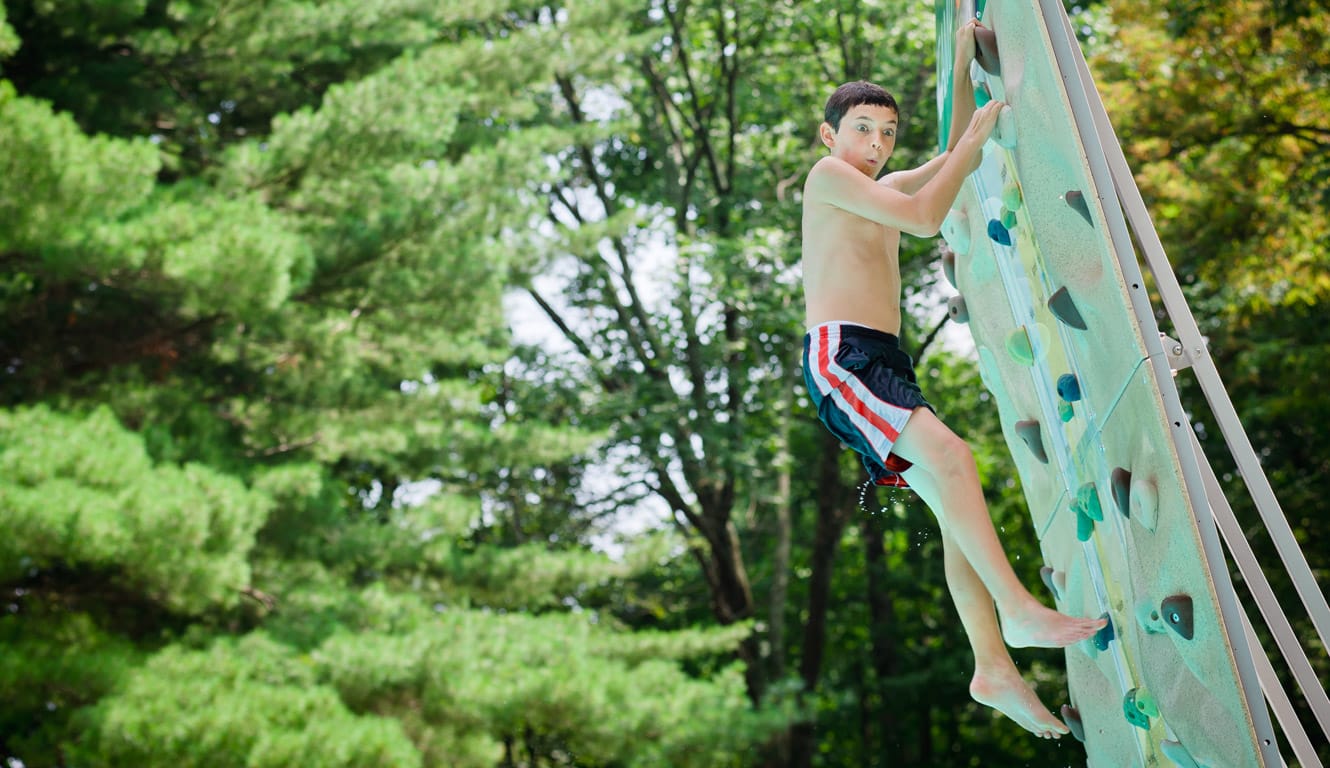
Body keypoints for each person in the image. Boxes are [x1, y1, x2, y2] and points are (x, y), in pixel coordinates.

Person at [799, 19, 1106, 740]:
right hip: (842, 359)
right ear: (829, 137)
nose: (876, 145)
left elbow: (945, 159)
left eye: (885, 132)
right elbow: (926, 215)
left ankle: (992, 667)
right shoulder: (828, 178)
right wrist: (968, 148)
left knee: (950, 509)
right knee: (954, 459)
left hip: (882, 361)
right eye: (862, 129)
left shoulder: (876, 181)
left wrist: (965, 63)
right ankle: (1018, 611)